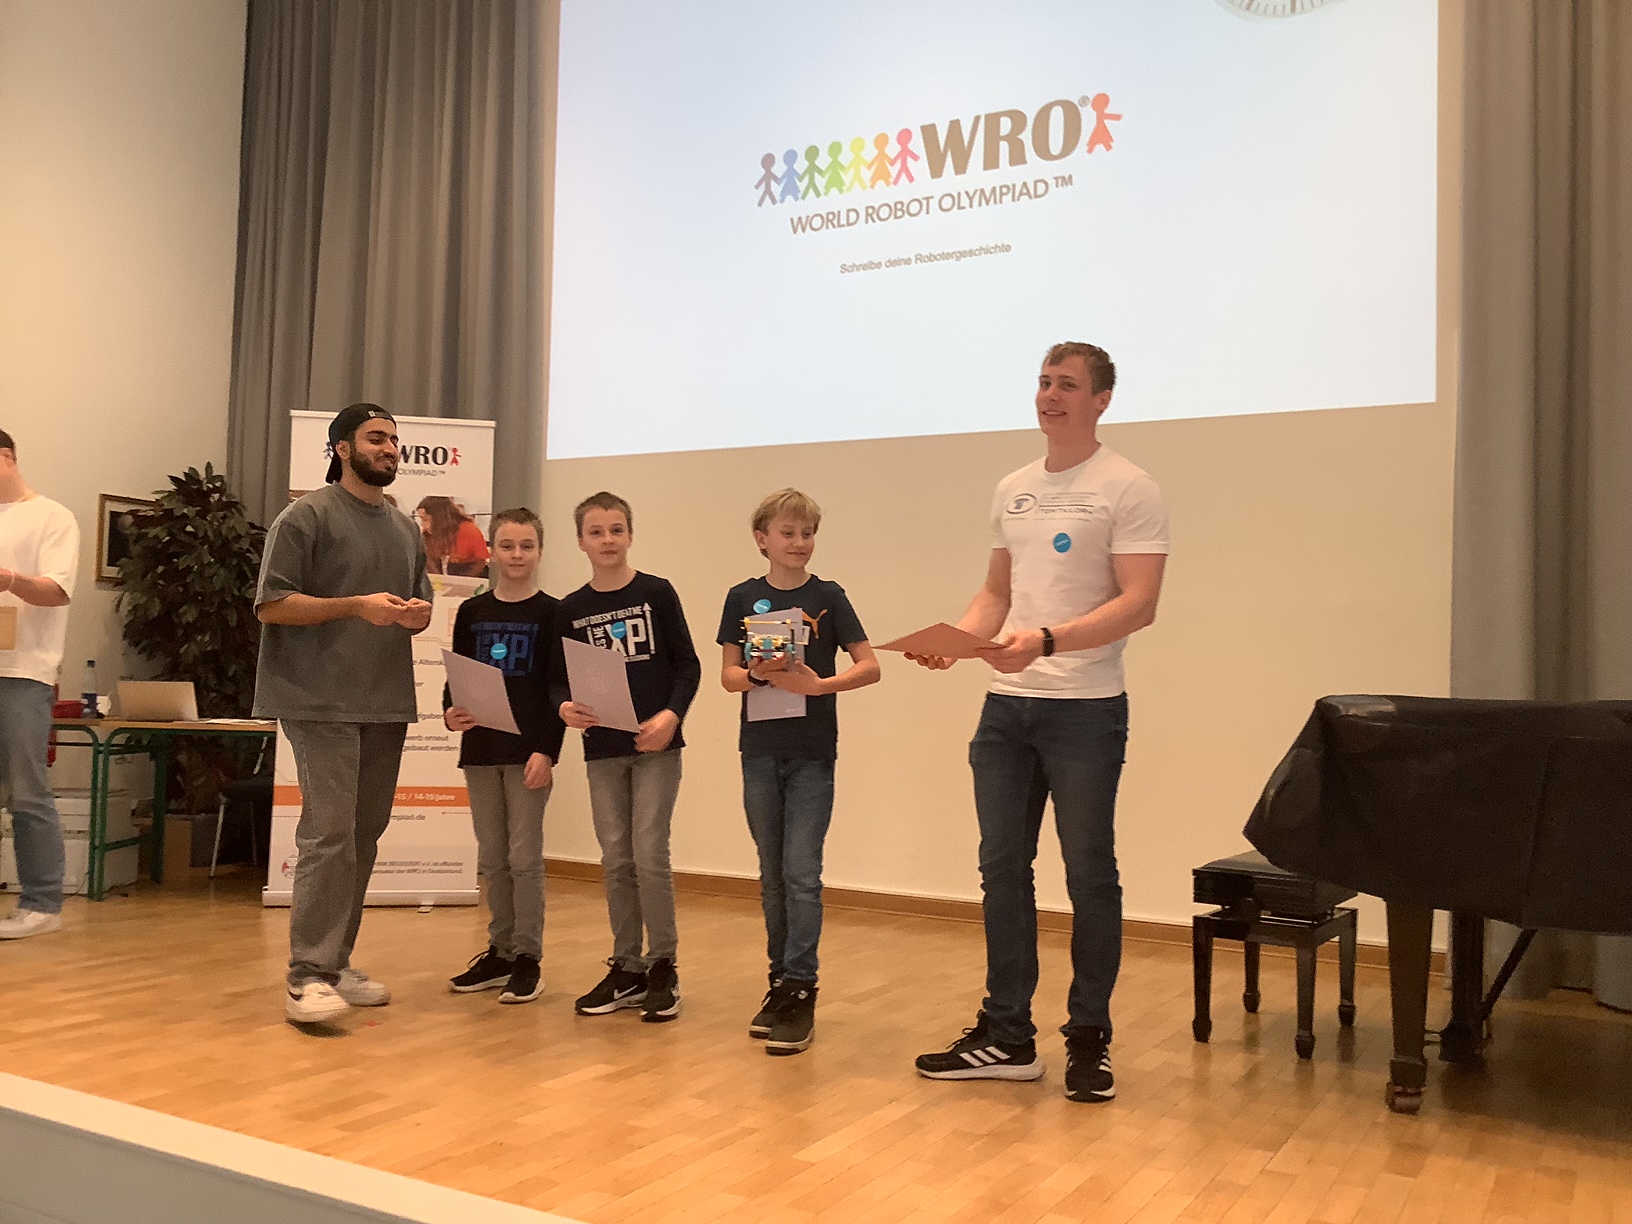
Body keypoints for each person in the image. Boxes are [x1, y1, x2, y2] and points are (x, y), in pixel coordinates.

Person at [909, 343, 1169, 1103]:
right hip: (1006, 711)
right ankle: (1007, 1034)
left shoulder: (1130, 486)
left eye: (1068, 385)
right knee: (1001, 867)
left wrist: (1049, 642)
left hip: (1086, 711)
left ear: (1102, 399)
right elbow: (997, 593)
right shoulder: (1014, 487)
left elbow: (1140, 603)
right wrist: (958, 641)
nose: (1050, 395)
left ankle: (1089, 1040)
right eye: (1044, 382)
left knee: (1089, 874)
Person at [253, 403, 434, 1024]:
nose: (390, 448)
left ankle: (335, 964)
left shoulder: (406, 528)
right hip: (317, 699)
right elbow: (271, 605)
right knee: (329, 834)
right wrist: (355, 605)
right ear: (341, 448)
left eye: (394, 440)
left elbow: (417, 605)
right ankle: (306, 976)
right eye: (376, 438)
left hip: (384, 701)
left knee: (361, 837)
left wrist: (416, 615)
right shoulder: (305, 517)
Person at [717, 488, 878, 1055]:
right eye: (787, 533)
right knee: (771, 875)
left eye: (807, 533)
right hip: (759, 751)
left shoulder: (828, 596)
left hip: (812, 754)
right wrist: (759, 675)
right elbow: (728, 676)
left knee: (802, 873)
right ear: (762, 539)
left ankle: (802, 987)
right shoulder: (742, 597)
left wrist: (819, 685)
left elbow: (870, 666)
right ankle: (779, 982)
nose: (799, 542)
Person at [550, 492, 700, 1023]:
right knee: (615, 858)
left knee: (649, 854)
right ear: (580, 541)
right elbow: (556, 681)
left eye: (616, 530)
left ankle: (663, 965)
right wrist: (563, 707)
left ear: (630, 535)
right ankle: (627, 966)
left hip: (656, 747)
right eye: (596, 532)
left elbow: (688, 665)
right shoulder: (570, 609)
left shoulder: (656, 593)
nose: (607, 540)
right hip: (602, 750)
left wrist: (671, 716)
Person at [443, 507, 565, 1004]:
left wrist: (547, 750)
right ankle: (501, 951)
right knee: (493, 857)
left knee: (523, 857)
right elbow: (457, 676)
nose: (517, 555)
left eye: (526, 546)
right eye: (508, 546)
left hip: (528, 753)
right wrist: (450, 711)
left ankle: (528, 957)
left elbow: (559, 688)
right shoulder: (472, 611)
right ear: (491, 551)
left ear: (540, 551)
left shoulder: (553, 613)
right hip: (481, 750)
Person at [0, 429, 79, 940]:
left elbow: (57, 591)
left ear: (6, 457)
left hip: (23, 672)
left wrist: (9, 579)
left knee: (25, 791)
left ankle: (42, 903)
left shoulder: (53, 516)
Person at [416, 495, 489, 577]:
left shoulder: (469, 530)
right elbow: (431, 567)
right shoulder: (427, 536)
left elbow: (481, 563)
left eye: (425, 520)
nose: (423, 525)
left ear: (440, 518)